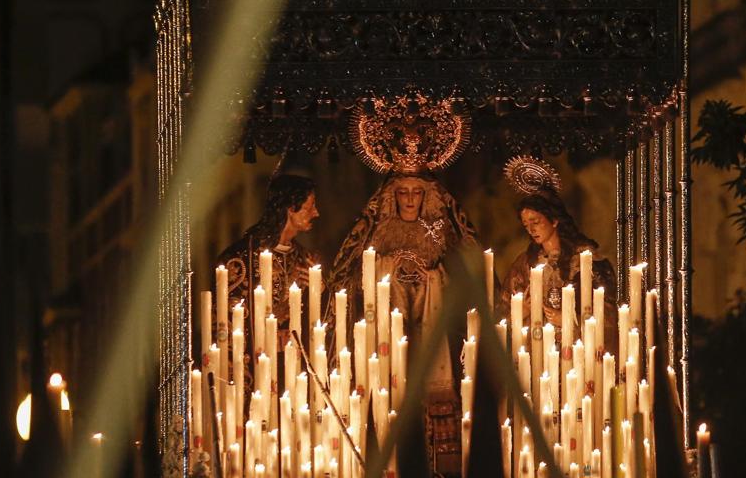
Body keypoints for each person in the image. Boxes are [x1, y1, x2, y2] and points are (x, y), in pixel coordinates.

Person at [329, 173, 477, 390]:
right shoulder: (379, 232)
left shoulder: (438, 231)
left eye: (417, 192)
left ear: (426, 196)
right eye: (403, 192)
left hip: (428, 316)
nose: (410, 199)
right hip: (389, 316)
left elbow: (456, 275)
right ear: (392, 196)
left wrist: (432, 275)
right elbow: (361, 273)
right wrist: (388, 264)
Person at [499, 156, 618, 355]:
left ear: (554, 220)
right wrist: (522, 314)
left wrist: (570, 320)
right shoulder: (525, 264)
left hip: (577, 355)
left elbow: (608, 313)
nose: (531, 229)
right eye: (526, 225)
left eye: (535, 221)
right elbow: (503, 312)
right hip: (538, 355)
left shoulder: (586, 261)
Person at [218, 173, 322, 345]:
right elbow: (226, 319)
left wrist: (321, 291)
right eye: (310, 207)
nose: (316, 213)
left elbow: (321, 319)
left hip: (293, 358)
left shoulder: (305, 259)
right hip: (252, 359)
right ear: (290, 208)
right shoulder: (241, 259)